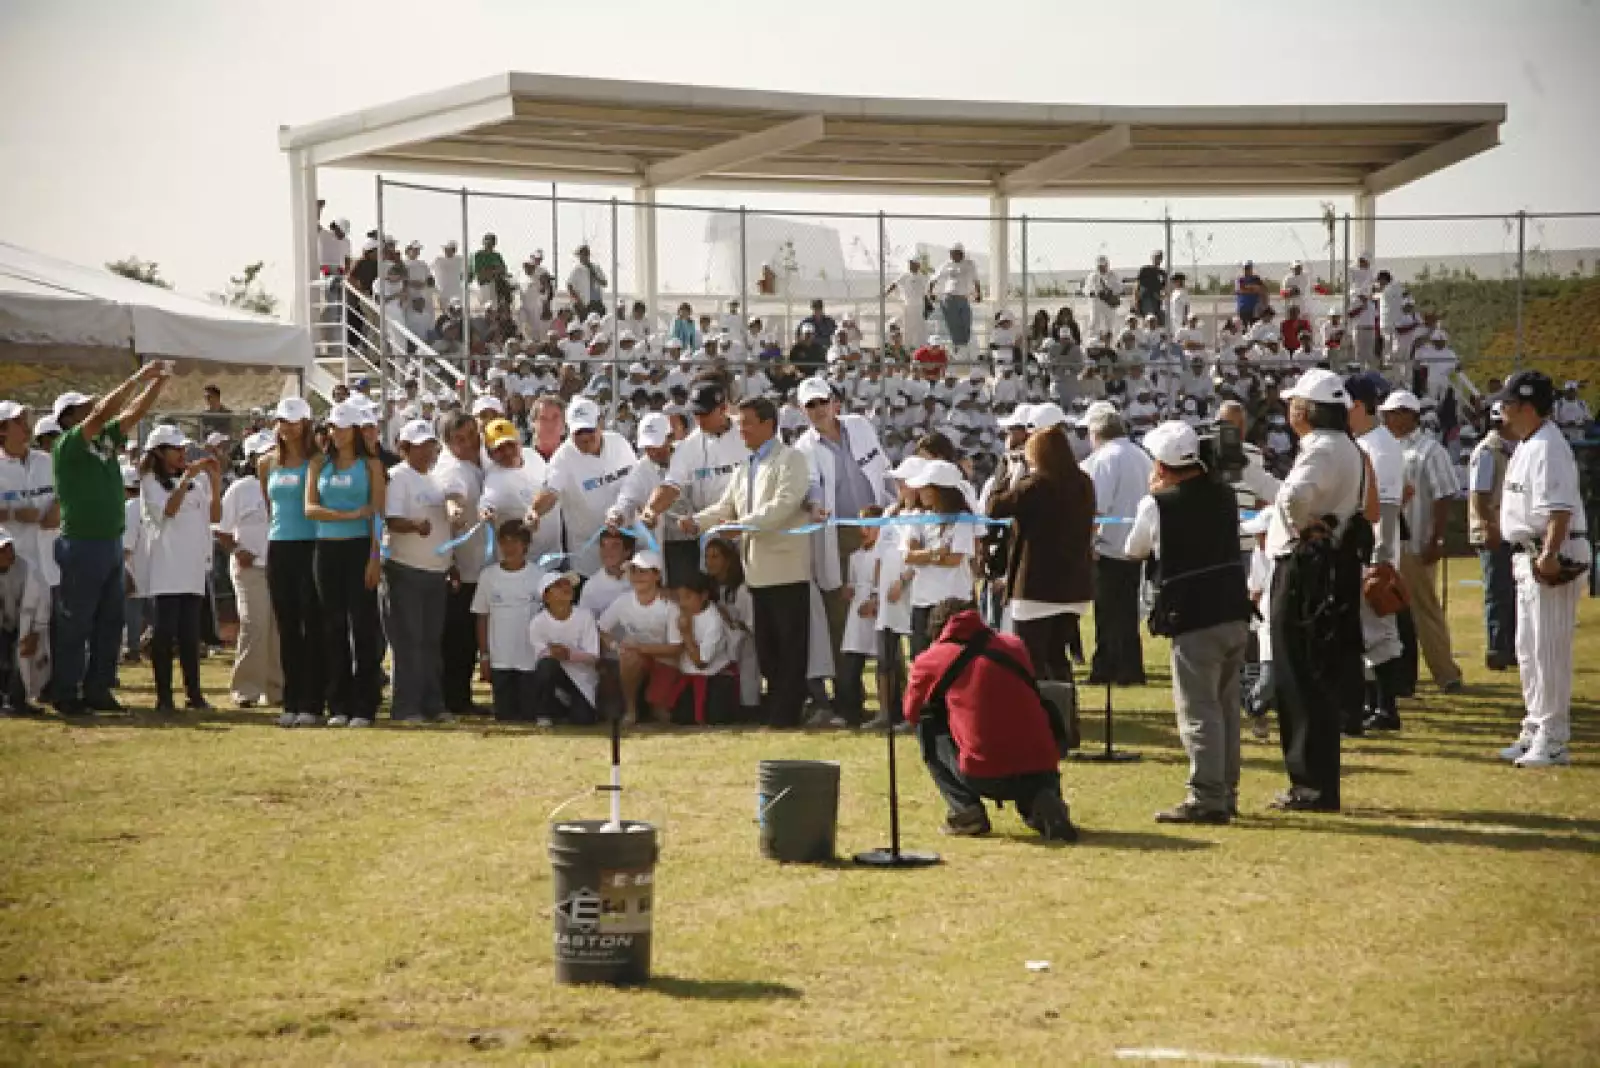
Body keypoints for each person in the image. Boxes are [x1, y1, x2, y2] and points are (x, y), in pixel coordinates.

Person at [1123, 421, 1252, 823]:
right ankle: (1226, 790)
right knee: (1227, 707)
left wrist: (1154, 497)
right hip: (1233, 607)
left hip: (1193, 615)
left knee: (1198, 710)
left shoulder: (1158, 504)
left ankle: (1207, 796)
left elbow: (1133, 549)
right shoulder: (1225, 496)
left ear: (1161, 466)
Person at [1266, 370, 1373, 812]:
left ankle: (1309, 783)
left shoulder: (1323, 449)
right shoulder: (1346, 446)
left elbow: (1293, 496)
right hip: (1334, 565)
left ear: (1306, 411)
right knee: (1319, 672)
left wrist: (1302, 528)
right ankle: (1316, 780)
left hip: (1307, 567)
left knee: (1299, 672)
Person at [681, 397, 812, 727]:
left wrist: (742, 526)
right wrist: (697, 522)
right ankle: (776, 708)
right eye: (740, 423)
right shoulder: (745, 466)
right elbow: (726, 507)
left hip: (785, 570)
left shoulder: (791, 460)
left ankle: (787, 713)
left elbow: (784, 505)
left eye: (747, 423)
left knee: (789, 648)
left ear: (769, 424)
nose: (742, 430)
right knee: (767, 650)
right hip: (756, 573)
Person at [50, 363, 172, 715]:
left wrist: (158, 384)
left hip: (109, 542)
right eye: (85, 407)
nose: (95, 408)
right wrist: (137, 378)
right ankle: (66, 692)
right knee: (77, 621)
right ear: (70, 417)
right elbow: (108, 409)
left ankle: (98, 689)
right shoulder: (68, 445)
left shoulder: (103, 440)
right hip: (82, 543)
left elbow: (136, 412)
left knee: (109, 622)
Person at [903, 598, 1077, 840]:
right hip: (1041, 764)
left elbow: (910, 713)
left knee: (927, 724)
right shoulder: (1014, 645)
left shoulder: (931, 659)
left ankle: (966, 811)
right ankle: (1043, 801)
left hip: (984, 770)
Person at [1493, 371, 1590, 768]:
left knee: (1549, 648)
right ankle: (1535, 726)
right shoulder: (1529, 443)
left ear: (1528, 407)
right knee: (1529, 649)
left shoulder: (1549, 445)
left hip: (1552, 552)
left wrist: (1549, 553)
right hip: (1528, 554)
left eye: (1509, 403)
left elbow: (1560, 508)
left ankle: (1553, 738)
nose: (1503, 409)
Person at [792, 377, 894, 719]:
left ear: (835, 402)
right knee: (842, 618)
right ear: (802, 411)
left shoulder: (860, 426)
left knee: (888, 613)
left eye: (822, 401)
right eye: (811, 405)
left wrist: (894, 509)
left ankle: (897, 701)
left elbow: (882, 468)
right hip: (837, 535)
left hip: (879, 528)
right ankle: (849, 702)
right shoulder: (803, 447)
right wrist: (814, 506)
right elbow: (809, 488)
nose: (819, 410)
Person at [985, 424, 1095, 687]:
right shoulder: (1083, 483)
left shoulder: (1034, 485)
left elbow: (994, 507)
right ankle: (1066, 715)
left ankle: (1042, 715)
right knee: (1057, 657)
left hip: (1036, 586)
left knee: (1032, 659)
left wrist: (1009, 474)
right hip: (1072, 584)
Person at [305, 399, 387, 728]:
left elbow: (378, 515)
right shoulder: (318, 464)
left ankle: (364, 704)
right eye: (332, 428)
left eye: (341, 428)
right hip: (326, 550)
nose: (335, 434)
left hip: (358, 549)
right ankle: (337, 702)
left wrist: (375, 557)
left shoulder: (371, 466)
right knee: (332, 627)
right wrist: (350, 514)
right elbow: (310, 508)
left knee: (363, 626)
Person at [1380, 389, 1464, 692]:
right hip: (1389, 545)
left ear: (1409, 415)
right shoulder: (1387, 448)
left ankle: (1446, 673)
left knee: (1424, 609)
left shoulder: (1430, 450)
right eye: (1386, 413)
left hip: (1415, 542)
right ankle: (1402, 676)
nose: (1388, 418)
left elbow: (1444, 495)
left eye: (1393, 413)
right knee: (1390, 611)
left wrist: (1436, 538)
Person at [138, 425, 221, 713]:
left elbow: (215, 515)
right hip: (166, 567)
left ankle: (194, 694)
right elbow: (168, 511)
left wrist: (216, 481)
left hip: (192, 566)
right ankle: (164, 696)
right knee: (164, 634)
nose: (182, 454)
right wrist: (187, 478)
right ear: (159, 452)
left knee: (190, 635)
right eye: (175, 449)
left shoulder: (196, 482)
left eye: (183, 449)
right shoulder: (150, 481)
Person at [1345, 374, 1409, 734]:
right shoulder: (1369, 441)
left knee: (1379, 630)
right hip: (1363, 549)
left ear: (1358, 405)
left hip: (1373, 552)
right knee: (1366, 631)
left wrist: (1379, 561)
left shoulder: (1379, 446)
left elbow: (1385, 507)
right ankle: (1373, 703)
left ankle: (1387, 707)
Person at [639, 383, 748, 588]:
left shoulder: (747, 432)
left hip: (749, 528)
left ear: (723, 409)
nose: (699, 419)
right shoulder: (689, 446)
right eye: (695, 414)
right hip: (712, 536)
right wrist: (651, 509)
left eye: (704, 413)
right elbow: (670, 485)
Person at [260, 397, 325, 728]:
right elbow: (270, 506)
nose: (287, 427)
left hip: (311, 546)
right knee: (286, 626)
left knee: (311, 624)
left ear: (306, 425)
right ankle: (292, 699)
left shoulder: (318, 461)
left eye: (294, 421)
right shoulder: (267, 463)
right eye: (283, 421)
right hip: (279, 547)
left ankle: (313, 702)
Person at [383, 419, 451, 723]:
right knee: (408, 641)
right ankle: (406, 706)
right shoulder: (398, 478)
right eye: (419, 447)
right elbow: (391, 519)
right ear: (404, 448)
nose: (427, 452)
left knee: (430, 642)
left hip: (437, 571)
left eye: (430, 446)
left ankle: (432, 703)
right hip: (405, 569)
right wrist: (414, 526)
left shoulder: (435, 480)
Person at [1080, 402, 1152, 686]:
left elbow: (1097, 507)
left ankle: (1108, 667)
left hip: (1109, 547)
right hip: (1136, 544)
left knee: (1109, 612)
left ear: (1096, 432)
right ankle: (1128, 666)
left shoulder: (1104, 459)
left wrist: (1088, 543)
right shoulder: (1141, 455)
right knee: (1126, 611)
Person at [530, 398, 636, 578]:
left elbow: (636, 481)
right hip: (589, 558)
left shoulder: (619, 443)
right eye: (578, 432)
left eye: (589, 430)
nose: (585, 437)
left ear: (600, 423)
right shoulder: (562, 458)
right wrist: (534, 511)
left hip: (629, 546)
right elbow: (550, 492)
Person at [216, 432, 281, 710]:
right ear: (252, 459)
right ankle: (245, 688)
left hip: (279, 566)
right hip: (249, 567)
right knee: (254, 624)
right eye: (263, 453)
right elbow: (221, 529)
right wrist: (237, 550)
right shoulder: (241, 489)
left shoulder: (283, 483)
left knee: (277, 628)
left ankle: (276, 688)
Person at [0, 400, 58, 701]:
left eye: (26, 420)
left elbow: (62, 493)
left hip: (46, 559)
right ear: (2, 430)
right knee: (9, 630)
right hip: (10, 563)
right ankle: (11, 694)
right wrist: (11, 513)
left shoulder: (45, 462)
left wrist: (57, 512)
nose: (26, 427)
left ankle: (34, 689)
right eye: (18, 422)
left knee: (39, 629)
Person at [434, 412, 488, 716]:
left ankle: (459, 697)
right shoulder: (452, 468)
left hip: (478, 564)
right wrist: (454, 508)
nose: (468, 443)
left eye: (472, 434)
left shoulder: (476, 463)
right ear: (448, 442)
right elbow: (453, 495)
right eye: (460, 439)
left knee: (465, 638)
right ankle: (454, 699)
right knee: (458, 640)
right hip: (461, 568)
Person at [471, 520, 546, 722]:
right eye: (504, 542)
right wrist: (484, 656)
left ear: (526, 546)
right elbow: (481, 616)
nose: (509, 548)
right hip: (500, 659)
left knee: (528, 715)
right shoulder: (488, 576)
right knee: (504, 716)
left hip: (529, 659)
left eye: (515, 542)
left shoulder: (539, 576)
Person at [596, 550, 679, 726]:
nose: (637, 576)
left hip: (667, 661)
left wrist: (640, 648)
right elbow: (601, 628)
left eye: (644, 571)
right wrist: (615, 647)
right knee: (628, 657)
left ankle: (653, 704)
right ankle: (631, 709)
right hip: (637, 658)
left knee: (661, 712)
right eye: (634, 570)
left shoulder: (670, 605)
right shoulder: (623, 601)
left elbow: (676, 648)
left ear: (656, 576)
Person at [1469, 402, 1518, 671]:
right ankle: (1497, 648)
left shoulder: (1511, 449)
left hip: (1508, 527)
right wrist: (1488, 526)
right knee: (1498, 590)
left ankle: (1510, 647)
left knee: (1511, 590)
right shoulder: (1488, 451)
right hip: (1493, 530)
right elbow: (1479, 495)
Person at [526, 571, 601, 726]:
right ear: (546, 596)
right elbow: (541, 656)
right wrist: (554, 653)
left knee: (583, 720)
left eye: (567, 584)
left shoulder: (585, 616)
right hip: (555, 673)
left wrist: (569, 655)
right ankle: (544, 712)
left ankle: (564, 702)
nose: (566, 588)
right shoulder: (538, 623)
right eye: (558, 585)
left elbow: (593, 656)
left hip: (581, 679)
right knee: (547, 665)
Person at [669, 570, 736, 725]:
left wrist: (686, 634)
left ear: (704, 595)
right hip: (686, 675)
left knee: (714, 716)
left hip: (711, 676)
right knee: (681, 718)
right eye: (680, 598)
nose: (683, 603)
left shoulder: (714, 621)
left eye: (688, 597)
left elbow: (701, 663)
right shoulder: (679, 612)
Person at [0, 526, 49, 715]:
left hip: (25, 625)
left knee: (22, 662)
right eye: (2, 549)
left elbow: (43, 602)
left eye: (9, 547)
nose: (7, 552)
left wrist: (36, 632)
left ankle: (17, 701)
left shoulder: (29, 569)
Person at [932, 243, 982, 354]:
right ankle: (958, 350)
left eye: (954, 253)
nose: (952, 256)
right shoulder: (947, 264)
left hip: (964, 299)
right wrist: (930, 292)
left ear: (961, 254)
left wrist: (979, 294)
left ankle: (962, 348)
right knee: (954, 326)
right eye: (951, 253)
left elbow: (976, 280)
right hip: (949, 299)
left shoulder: (969, 264)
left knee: (966, 323)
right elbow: (934, 278)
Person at [888, 258, 930, 348]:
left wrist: (927, 306)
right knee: (907, 328)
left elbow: (926, 293)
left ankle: (920, 348)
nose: (910, 266)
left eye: (912, 264)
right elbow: (895, 284)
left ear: (918, 265)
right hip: (908, 306)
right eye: (910, 264)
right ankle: (907, 348)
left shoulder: (923, 277)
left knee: (920, 329)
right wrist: (885, 293)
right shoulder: (905, 275)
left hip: (919, 307)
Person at [1081, 255, 1121, 340]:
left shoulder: (1113, 275)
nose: (1102, 268)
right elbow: (1086, 289)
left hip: (1109, 304)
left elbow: (1119, 288)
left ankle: (1109, 343)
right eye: (1100, 266)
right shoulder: (1093, 276)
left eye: (1103, 265)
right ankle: (1093, 342)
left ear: (1107, 265)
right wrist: (1091, 293)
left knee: (1109, 324)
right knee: (1094, 323)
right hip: (1096, 303)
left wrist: (1109, 291)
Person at [566, 244, 608, 318]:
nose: (581, 257)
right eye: (580, 255)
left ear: (588, 255)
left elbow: (605, 283)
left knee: (599, 324)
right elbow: (569, 286)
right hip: (585, 303)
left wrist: (596, 277)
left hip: (597, 302)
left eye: (584, 254)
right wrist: (578, 301)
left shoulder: (596, 268)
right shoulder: (577, 270)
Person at [1135, 250, 1167, 323]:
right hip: (1146, 298)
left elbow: (1166, 288)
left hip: (1156, 300)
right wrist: (1136, 300)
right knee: (1149, 319)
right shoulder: (1145, 270)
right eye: (1156, 257)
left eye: (1160, 257)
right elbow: (1137, 285)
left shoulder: (1162, 273)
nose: (1158, 259)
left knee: (1157, 320)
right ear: (1152, 258)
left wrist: (1162, 297)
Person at [1234, 260, 1267, 327]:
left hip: (1255, 309)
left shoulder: (1256, 279)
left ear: (1251, 268)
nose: (1247, 270)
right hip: (1243, 308)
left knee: (1256, 329)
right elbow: (1240, 290)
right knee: (1244, 329)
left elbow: (1263, 289)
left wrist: (1248, 288)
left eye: (1248, 268)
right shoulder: (1240, 279)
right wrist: (1254, 289)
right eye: (1245, 268)